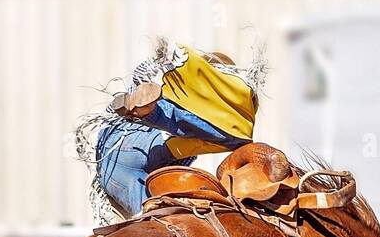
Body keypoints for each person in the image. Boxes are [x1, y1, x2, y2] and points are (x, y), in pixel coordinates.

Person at [76, 40, 264, 221]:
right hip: (136, 142)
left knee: (157, 221)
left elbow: (141, 74)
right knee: (234, 137)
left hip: (114, 165)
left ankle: (148, 111)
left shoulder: (166, 78)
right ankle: (153, 112)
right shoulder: (182, 89)